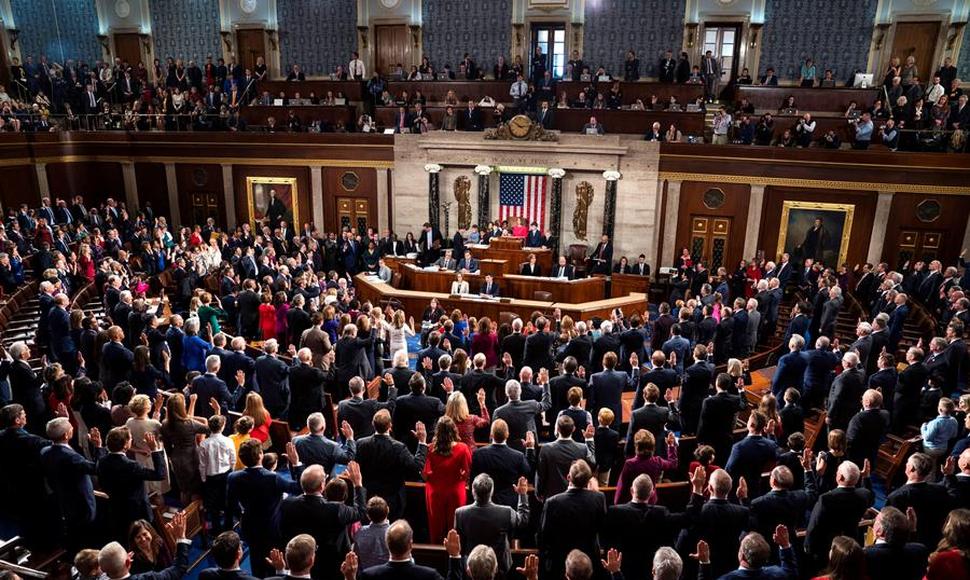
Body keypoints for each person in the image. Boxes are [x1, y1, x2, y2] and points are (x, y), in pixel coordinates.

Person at [226, 438, 304, 578]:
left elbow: (231, 504)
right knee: (274, 561)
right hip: (272, 527)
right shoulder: (273, 478)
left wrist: (242, 516)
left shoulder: (233, 477)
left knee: (255, 559)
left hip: (249, 526)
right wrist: (296, 463)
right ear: (260, 455)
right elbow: (299, 488)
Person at [279, 463, 366, 579]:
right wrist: (357, 484)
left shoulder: (287, 504)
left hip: (299, 561)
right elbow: (360, 511)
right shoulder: (335, 509)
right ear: (322, 486)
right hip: (331, 565)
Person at [40, 416, 105, 550]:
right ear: (66, 434)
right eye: (71, 428)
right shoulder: (71, 457)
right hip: (81, 503)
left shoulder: (45, 451)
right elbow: (97, 469)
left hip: (63, 499)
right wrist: (98, 447)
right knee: (86, 536)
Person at [538, 460, 606, 580]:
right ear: (588, 479)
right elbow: (603, 529)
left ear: (568, 477)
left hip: (560, 562)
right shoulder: (599, 498)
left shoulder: (553, 502)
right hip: (589, 559)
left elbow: (543, 536)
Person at [355, 410, 427, 521]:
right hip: (393, 502)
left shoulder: (360, 444)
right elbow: (416, 467)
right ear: (390, 426)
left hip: (368, 498)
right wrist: (422, 442)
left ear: (373, 425)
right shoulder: (398, 448)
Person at [97, 426, 167, 541]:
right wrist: (155, 450)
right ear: (125, 445)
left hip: (116, 511)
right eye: (130, 439)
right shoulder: (131, 466)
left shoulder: (102, 462)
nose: (131, 441)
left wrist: (98, 447)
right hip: (138, 514)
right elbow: (160, 474)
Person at [454, 473, 530, 577]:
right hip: (500, 567)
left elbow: (459, 544)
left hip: (472, 567)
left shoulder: (460, 513)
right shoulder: (506, 512)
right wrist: (522, 495)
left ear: (473, 490)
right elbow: (523, 520)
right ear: (492, 491)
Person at [887, 453, 953, 548]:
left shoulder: (897, 496)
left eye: (907, 463)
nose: (906, 464)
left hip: (906, 544)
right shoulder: (939, 489)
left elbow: (890, 525)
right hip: (934, 542)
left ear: (911, 468)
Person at [423, 416, 471, 543]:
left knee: (436, 528)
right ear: (454, 430)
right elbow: (467, 472)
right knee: (455, 528)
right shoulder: (462, 448)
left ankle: (437, 559)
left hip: (435, 492)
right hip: (455, 491)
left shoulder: (430, 448)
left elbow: (425, 475)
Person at [100, 512, 190, 580]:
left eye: (144, 534)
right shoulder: (140, 567)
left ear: (151, 532)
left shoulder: (159, 542)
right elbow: (179, 568)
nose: (143, 539)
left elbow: (170, 562)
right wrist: (181, 536)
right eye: (138, 537)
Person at [536, 415, 595, 500]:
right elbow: (592, 464)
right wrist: (589, 441)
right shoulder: (583, 448)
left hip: (553, 497)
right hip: (577, 497)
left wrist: (539, 492)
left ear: (558, 429)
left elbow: (541, 474)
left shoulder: (546, 449)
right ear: (574, 429)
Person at [864, 506, 930, 580]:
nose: (873, 524)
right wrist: (912, 530)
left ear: (879, 531)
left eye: (875, 521)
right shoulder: (920, 550)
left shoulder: (866, 555)